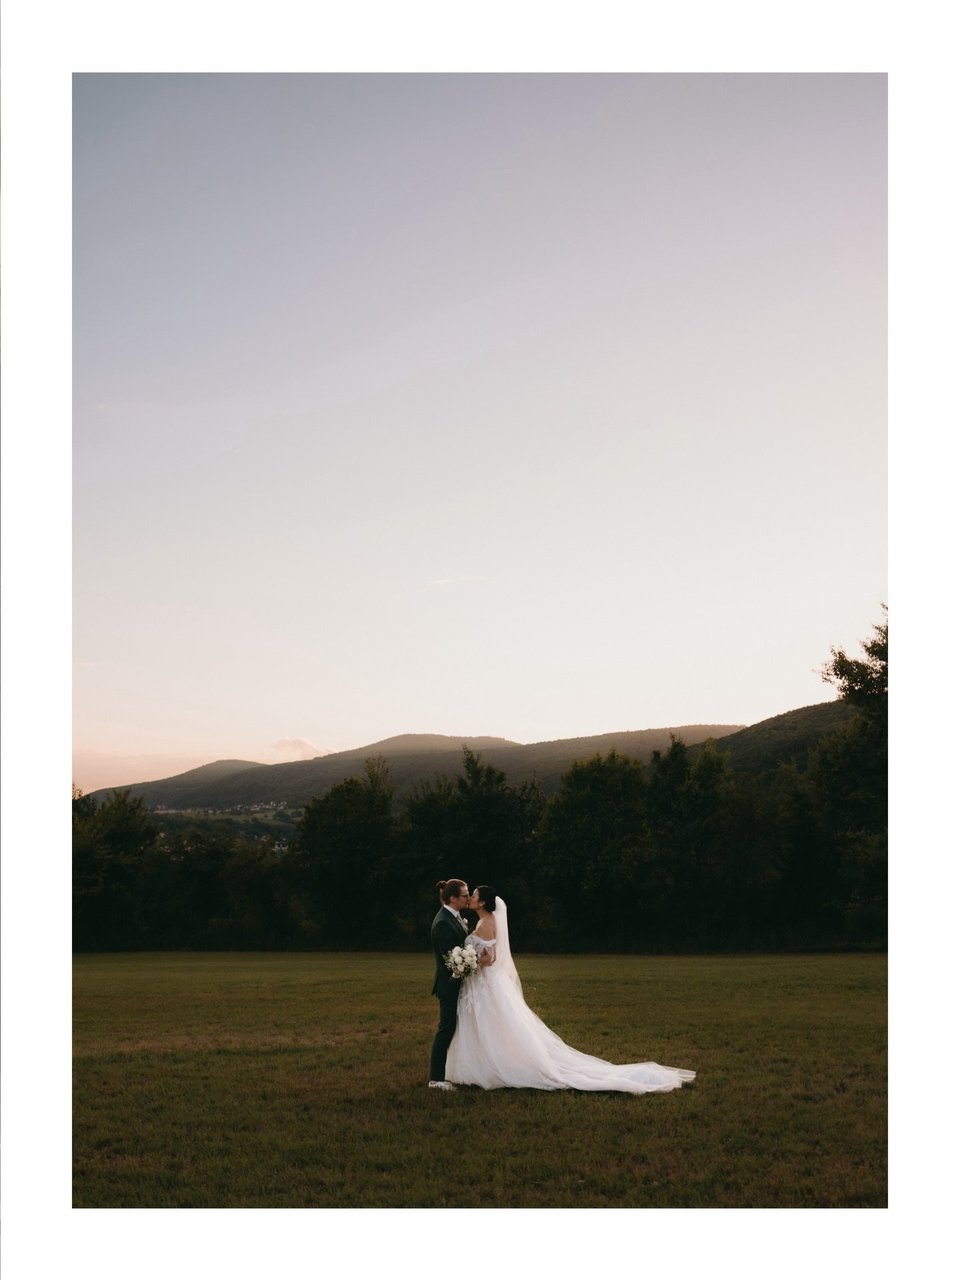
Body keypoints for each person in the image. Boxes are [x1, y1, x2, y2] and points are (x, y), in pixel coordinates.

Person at [445, 887, 696, 1094]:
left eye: (475, 894)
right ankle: (487, 1062)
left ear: (483, 902)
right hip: (486, 983)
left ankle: (492, 1065)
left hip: (486, 982)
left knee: (493, 1025)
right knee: (493, 1025)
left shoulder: (485, 924)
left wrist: (470, 963)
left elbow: (490, 956)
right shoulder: (485, 921)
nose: (471, 897)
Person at [427, 878, 472, 1090]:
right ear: (453, 898)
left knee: (452, 1028)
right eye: (465, 895)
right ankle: (435, 1079)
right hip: (448, 984)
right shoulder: (443, 922)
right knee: (446, 1029)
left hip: (457, 982)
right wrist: (474, 960)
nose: (469, 898)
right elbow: (450, 960)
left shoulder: (454, 916)